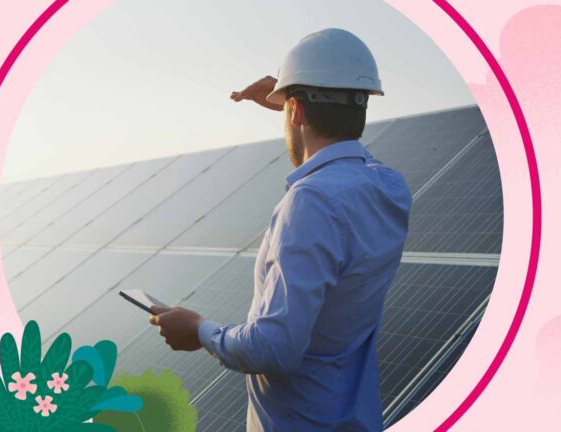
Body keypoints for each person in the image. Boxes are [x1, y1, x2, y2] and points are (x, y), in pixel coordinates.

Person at [148, 28, 411, 431]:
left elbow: (274, 348)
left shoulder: (312, 201)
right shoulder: (389, 188)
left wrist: (199, 330)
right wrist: (295, 100)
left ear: (296, 112)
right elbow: (347, 144)